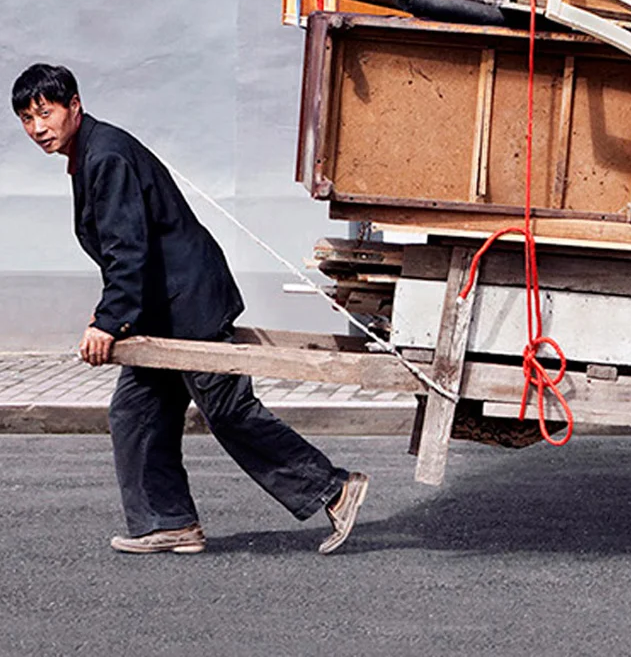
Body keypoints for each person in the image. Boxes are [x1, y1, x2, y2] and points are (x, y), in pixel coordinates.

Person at [13, 62, 369, 556]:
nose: (37, 129)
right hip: (162, 311)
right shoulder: (91, 153)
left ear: (75, 105)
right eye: (27, 120)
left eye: (45, 113)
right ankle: (169, 522)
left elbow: (127, 248)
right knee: (135, 413)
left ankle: (334, 489)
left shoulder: (107, 156)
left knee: (227, 409)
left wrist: (108, 321)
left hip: (188, 305)